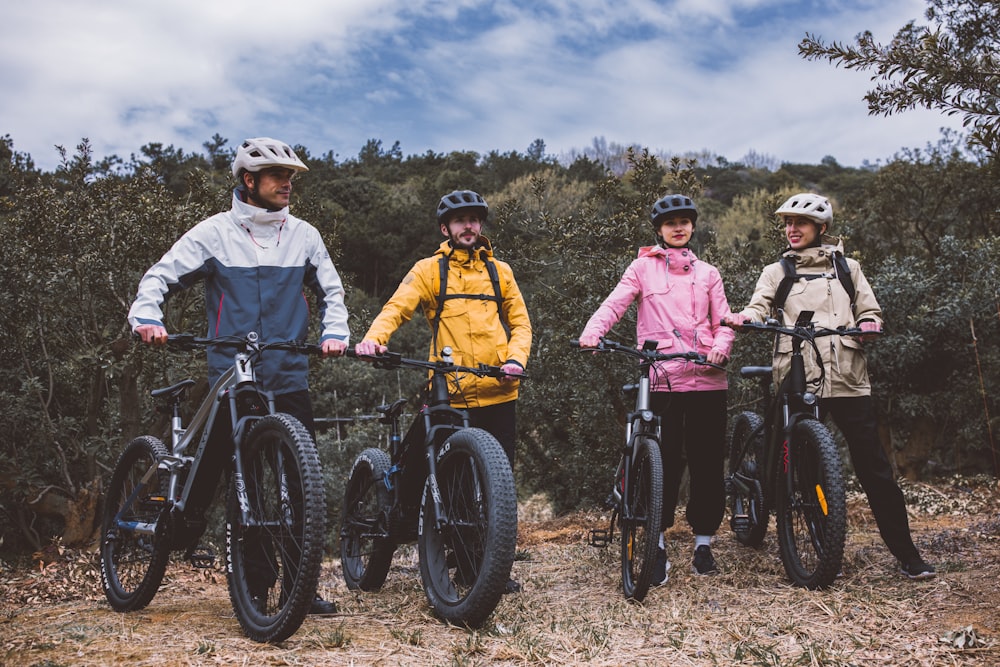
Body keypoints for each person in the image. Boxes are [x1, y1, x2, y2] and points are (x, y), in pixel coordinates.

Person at [127, 136, 349, 613]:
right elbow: (159, 277)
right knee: (241, 477)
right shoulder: (214, 233)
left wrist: (335, 331)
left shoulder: (304, 235)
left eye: (290, 177)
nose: (287, 184)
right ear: (249, 181)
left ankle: (300, 586)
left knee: (299, 480)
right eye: (277, 176)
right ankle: (253, 583)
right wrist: (147, 317)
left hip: (289, 371)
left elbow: (333, 290)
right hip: (234, 374)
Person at [723, 192, 936, 580]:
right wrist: (746, 317)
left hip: (849, 377)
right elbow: (759, 305)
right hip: (799, 373)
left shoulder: (847, 268)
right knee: (805, 468)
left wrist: (870, 323)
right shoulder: (777, 271)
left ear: (821, 228)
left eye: (799, 223)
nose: (791, 229)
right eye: (787, 223)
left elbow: (869, 310)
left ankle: (908, 556)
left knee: (875, 470)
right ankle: (821, 550)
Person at [353, 189, 532, 593]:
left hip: (499, 390)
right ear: (445, 228)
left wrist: (516, 360)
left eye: (474, 219)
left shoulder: (499, 271)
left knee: (494, 486)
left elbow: (521, 323)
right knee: (455, 484)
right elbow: (397, 307)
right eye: (459, 220)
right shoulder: (429, 270)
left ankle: (482, 564)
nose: (468, 225)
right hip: (450, 392)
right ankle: (467, 566)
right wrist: (374, 339)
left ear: (480, 225)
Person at [578, 194, 734, 583]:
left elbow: (726, 321)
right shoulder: (642, 268)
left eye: (684, 221)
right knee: (661, 464)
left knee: (707, 463)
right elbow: (614, 304)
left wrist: (720, 348)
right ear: (660, 230)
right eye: (670, 223)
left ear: (693, 226)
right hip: (662, 379)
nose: (678, 227)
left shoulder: (709, 273)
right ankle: (657, 544)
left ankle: (703, 544)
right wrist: (593, 332)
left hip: (707, 379)